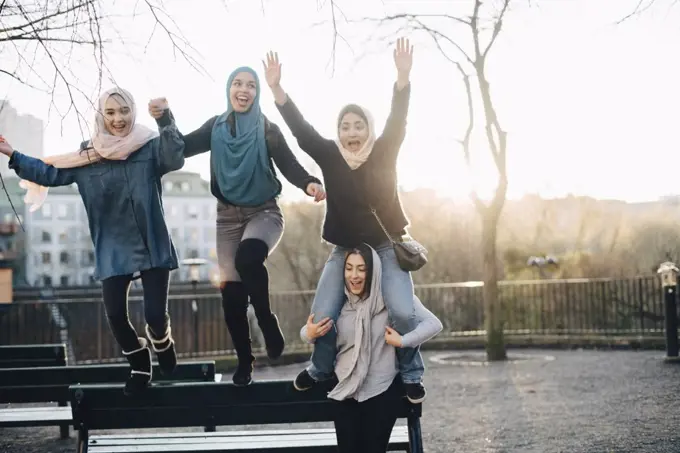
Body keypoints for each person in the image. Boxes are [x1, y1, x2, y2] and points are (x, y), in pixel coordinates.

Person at [264, 38, 430, 402]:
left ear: (367, 129)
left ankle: (411, 374)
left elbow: (397, 119)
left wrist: (402, 78)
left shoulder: (384, 151)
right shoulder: (329, 155)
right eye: (345, 126)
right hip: (345, 249)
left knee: (403, 311)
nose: (351, 133)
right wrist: (277, 89)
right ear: (338, 131)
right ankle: (321, 369)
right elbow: (300, 129)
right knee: (323, 313)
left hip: (386, 247)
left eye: (358, 126)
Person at [0, 87, 185, 396]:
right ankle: (140, 364)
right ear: (101, 116)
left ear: (133, 112)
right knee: (114, 315)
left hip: (152, 242)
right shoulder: (89, 156)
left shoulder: (149, 147)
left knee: (155, 315)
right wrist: (12, 154)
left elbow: (174, 157)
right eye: (110, 113)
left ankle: (161, 340)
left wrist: (165, 119)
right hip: (113, 247)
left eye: (124, 111)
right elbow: (49, 173)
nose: (118, 119)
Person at [174, 66, 326, 386]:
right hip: (227, 218)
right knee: (231, 296)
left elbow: (288, 164)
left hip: (264, 213)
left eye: (251, 85)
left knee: (248, 259)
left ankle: (268, 322)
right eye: (238, 84)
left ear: (257, 93)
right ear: (229, 89)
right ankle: (245, 361)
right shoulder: (214, 128)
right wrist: (164, 120)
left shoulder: (266, 129)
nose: (244, 90)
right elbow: (181, 147)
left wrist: (309, 183)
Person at [301, 244, 442, 453]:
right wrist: (308, 334)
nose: (354, 275)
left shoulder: (392, 300)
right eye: (349, 268)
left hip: (382, 392)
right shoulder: (337, 303)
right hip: (345, 391)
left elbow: (434, 324)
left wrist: (403, 341)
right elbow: (308, 331)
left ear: (373, 271)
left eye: (361, 268)